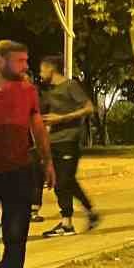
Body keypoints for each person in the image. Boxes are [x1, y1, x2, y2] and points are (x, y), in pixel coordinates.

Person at [0, 41, 54, 268]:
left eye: (26, 60)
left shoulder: (28, 91)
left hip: (18, 171)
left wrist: (47, 161)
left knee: (16, 237)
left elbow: (38, 127)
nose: (25, 66)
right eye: (19, 61)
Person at [38, 56, 99, 237]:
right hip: (53, 142)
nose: (40, 74)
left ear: (51, 69)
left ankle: (88, 212)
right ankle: (67, 224)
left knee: (65, 181)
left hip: (69, 141)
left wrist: (63, 118)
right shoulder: (49, 91)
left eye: (42, 70)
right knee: (60, 182)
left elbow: (89, 108)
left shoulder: (70, 86)